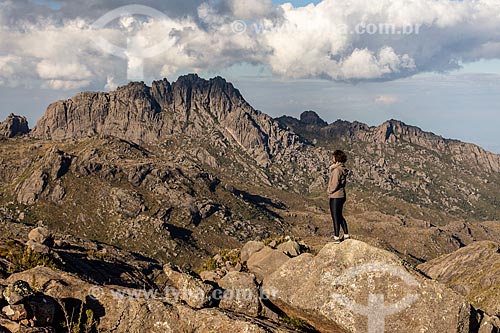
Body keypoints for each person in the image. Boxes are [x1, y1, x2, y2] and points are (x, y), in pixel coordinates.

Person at [327, 150, 350, 244]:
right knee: (340, 215)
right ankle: (346, 235)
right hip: (341, 195)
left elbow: (334, 184)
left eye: (333, 157)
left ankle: (336, 237)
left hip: (335, 196)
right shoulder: (341, 169)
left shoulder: (336, 170)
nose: (332, 158)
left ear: (336, 158)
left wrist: (329, 191)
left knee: (335, 217)